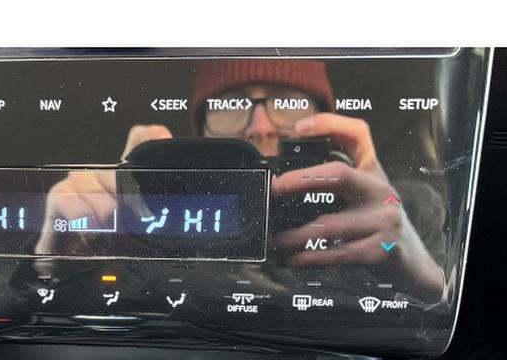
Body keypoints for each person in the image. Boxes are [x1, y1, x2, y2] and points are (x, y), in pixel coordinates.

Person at [39, 59, 446, 301]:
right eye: (231, 104)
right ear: (200, 135)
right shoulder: (148, 215)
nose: (261, 125)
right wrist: (55, 264)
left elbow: (453, 321)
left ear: (326, 122)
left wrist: (420, 269)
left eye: (287, 100)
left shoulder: (411, 210)